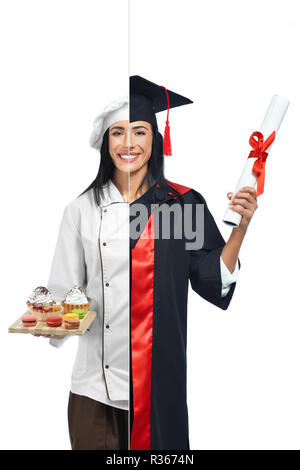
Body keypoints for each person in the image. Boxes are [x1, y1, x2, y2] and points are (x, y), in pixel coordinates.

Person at [43, 75, 258, 450]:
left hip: (160, 388)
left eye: (140, 132)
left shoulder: (181, 205)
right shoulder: (81, 211)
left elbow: (210, 277)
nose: (129, 144)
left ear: (155, 139)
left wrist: (240, 228)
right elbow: (63, 296)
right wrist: (51, 325)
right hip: (94, 390)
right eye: (118, 133)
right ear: (104, 141)